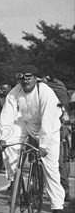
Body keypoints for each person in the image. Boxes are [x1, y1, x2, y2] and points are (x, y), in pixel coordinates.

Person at [0, 65, 65, 213]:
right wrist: (3, 138)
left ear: (36, 78)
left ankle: (57, 211)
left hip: (49, 129)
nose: (25, 81)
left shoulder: (45, 92)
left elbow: (48, 120)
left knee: (51, 169)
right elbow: (6, 115)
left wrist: (42, 144)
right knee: (8, 142)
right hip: (27, 124)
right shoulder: (15, 92)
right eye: (22, 78)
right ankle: (15, 179)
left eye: (29, 77)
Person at [40, 73, 71, 202]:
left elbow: (66, 119)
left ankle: (64, 191)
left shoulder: (60, 96)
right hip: (42, 129)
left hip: (57, 131)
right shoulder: (40, 94)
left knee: (59, 163)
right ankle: (37, 189)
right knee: (39, 161)